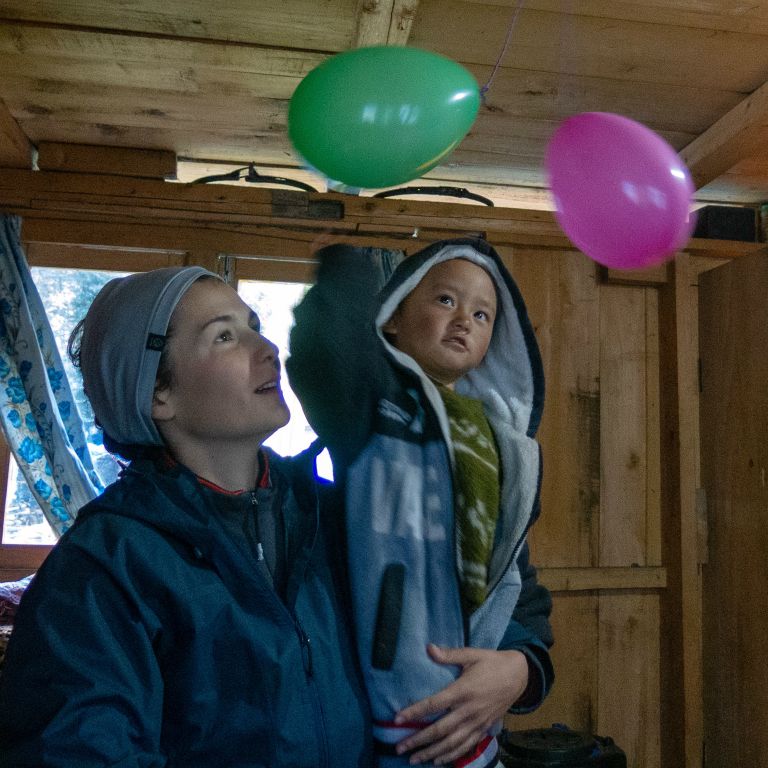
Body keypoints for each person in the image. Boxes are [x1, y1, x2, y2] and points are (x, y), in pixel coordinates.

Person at [0, 266, 372, 767]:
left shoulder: (335, 514)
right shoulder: (103, 565)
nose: (267, 349)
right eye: (224, 336)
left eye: (254, 326)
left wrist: (491, 669)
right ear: (159, 393)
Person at [287, 237, 554, 768]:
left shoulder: (501, 442)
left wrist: (524, 664)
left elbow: (511, 573)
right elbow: (328, 352)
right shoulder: (374, 406)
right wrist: (345, 268)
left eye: (482, 314)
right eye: (445, 300)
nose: (463, 321)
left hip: (474, 721)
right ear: (393, 315)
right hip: (382, 713)